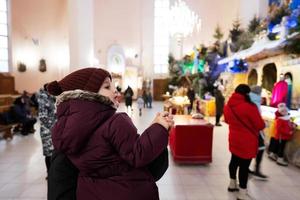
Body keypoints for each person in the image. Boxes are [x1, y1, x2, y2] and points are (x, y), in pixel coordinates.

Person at [46, 67, 174, 200]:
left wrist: (153, 132)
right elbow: (139, 157)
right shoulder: (116, 122)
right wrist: (159, 129)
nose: (115, 91)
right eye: (107, 86)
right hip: (129, 192)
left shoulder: (67, 137)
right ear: (89, 94)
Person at [224, 84, 265, 200]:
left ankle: (232, 184)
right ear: (247, 94)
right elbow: (260, 125)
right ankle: (242, 193)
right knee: (244, 166)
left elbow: (226, 120)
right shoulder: (249, 107)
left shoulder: (228, 106)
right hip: (247, 141)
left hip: (234, 138)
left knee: (234, 161)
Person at [36, 84, 56, 178]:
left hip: (53, 128)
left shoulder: (51, 97)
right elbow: (43, 117)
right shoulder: (43, 98)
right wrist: (54, 127)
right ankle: (49, 173)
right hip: (47, 130)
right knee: (49, 152)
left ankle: (53, 172)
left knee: (54, 152)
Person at [249, 85, 268, 180]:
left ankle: (249, 169)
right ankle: (255, 170)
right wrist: (263, 124)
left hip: (251, 130)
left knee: (252, 149)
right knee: (260, 148)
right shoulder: (255, 102)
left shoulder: (251, 99)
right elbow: (255, 118)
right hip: (255, 130)